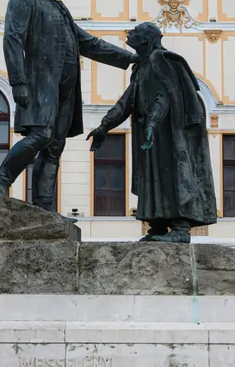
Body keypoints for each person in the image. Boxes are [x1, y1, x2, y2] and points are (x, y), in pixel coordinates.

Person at [0, 0, 137, 212]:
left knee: (54, 147)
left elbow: (87, 43)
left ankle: (44, 205)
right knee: (40, 136)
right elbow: (12, 40)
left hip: (65, 90)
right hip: (41, 84)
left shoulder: (59, 7)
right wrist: (18, 82)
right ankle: (0, 181)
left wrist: (129, 58)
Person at [87, 22, 217, 243]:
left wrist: (152, 124)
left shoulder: (162, 60)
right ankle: (157, 224)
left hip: (169, 134)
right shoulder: (141, 67)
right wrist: (104, 126)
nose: (130, 34)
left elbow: (166, 96)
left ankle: (180, 227)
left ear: (145, 39)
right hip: (153, 135)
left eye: (135, 33)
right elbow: (126, 102)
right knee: (154, 175)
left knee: (172, 174)